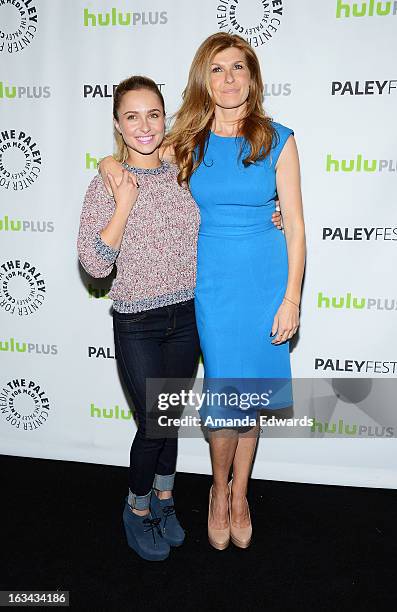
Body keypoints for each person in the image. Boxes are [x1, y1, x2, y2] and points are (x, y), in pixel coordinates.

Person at [98, 33, 299, 552]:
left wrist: (292, 297)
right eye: (217, 68)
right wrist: (107, 168)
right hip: (207, 284)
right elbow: (126, 158)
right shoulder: (186, 138)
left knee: (249, 400)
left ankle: (240, 497)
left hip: (263, 279)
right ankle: (215, 492)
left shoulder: (278, 138)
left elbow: (296, 226)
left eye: (238, 67)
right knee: (221, 402)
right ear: (202, 79)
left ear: (252, 77)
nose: (228, 78)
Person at [77, 76, 202, 561]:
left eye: (153, 114)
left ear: (164, 118)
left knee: (169, 418)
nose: (144, 125)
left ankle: (165, 499)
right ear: (117, 124)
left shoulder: (182, 170)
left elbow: (219, 219)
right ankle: (136, 508)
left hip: (187, 316)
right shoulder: (105, 184)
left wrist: (270, 217)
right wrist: (124, 204)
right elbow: (94, 265)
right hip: (137, 321)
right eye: (132, 116)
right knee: (154, 423)